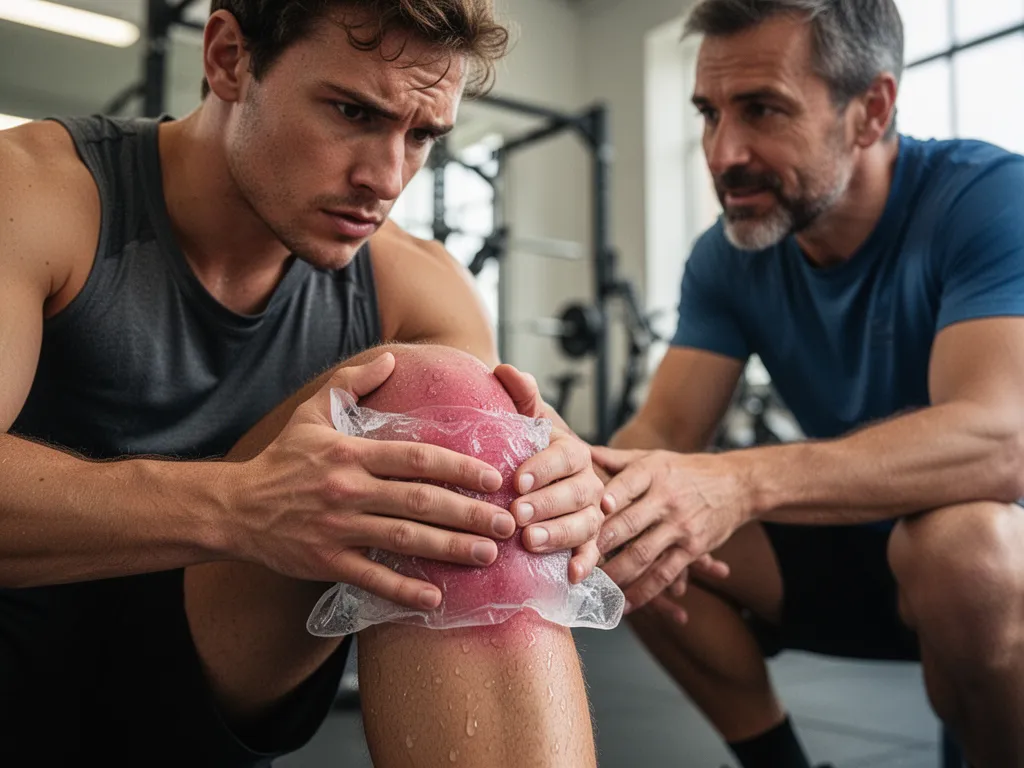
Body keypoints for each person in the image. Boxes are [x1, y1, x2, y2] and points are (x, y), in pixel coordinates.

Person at [0, 0, 605, 765]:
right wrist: (241, 506)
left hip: (203, 689)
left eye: (420, 135)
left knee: (458, 410)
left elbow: (505, 521)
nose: (386, 179)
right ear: (227, 58)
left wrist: (558, 495)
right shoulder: (36, 194)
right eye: (352, 110)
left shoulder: (418, 287)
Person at [592, 2, 1024, 768]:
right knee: (630, 523)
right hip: (859, 561)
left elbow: (1003, 441)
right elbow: (660, 434)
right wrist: (578, 489)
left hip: (989, 579)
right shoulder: (726, 257)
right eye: (709, 113)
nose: (723, 152)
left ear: (872, 109)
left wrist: (742, 482)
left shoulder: (988, 199)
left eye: (762, 110)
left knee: (962, 546)